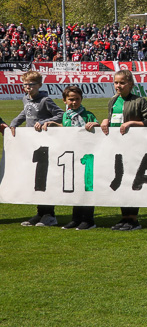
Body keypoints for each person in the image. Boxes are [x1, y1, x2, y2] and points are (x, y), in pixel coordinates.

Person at [38, 85, 100, 230]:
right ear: (64, 100)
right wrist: (55, 125)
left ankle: (88, 220)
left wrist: (95, 124)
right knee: (76, 188)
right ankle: (76, 218)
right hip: (72, 157)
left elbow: (98, 131)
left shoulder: (88, 115)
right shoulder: (66, 116)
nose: (74, 102)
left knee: (87, 188)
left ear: (81, 99)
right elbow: (67, 129)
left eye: (77, 99)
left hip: (88, 157)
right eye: (71, 99)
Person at [100, 69, 147, 231]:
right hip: (117, 148)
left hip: (135, 147)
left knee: (133, 182)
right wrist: (105, 121)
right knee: (120, 181)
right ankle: (124, 217)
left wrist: (131, 123)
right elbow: (112, 120)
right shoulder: (113, 101)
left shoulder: (139, 101)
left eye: (122, 83)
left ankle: (133, 219)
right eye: (116, 82)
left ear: (130, 84)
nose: (118, 86)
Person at [9, 71, 64, 227]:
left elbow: (60, 114)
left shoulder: (45, 100)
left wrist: (45, 121)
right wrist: (13, 123)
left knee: (45, 178)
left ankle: (50, 214)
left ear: (39, 85)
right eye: (25, 84)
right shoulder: (25, 99)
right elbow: (25, 113)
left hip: (45, 144)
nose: (28, 87)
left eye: (32, 84)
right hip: (31, 144)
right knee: (36, 180)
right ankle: (40, 213)